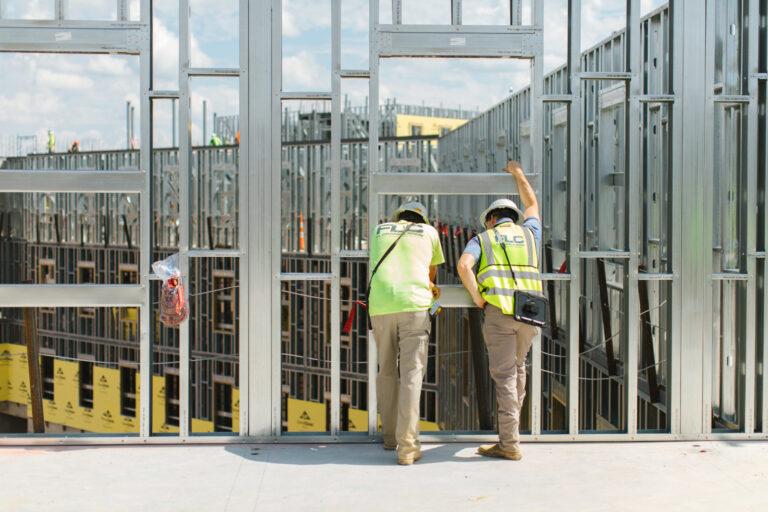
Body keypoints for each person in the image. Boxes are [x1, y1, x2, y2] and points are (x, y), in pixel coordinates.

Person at [457, 160, 542, 461]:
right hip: (530, 314)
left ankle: (509, 443)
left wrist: (478, 298)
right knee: (518, 369)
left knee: (505, 376)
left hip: (500, 315)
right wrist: (518, 173)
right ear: (513, 218)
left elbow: (464, 266)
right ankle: (512, 433)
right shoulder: (530, 234)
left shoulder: (483, 239)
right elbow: (531, 203)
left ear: (491, 219)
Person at [369, 201, 444, 465]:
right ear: (421, 219)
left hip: (380, 305)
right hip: (414, 305)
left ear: (397, 217)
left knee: (386, 370)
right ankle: (408, 447)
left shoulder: (379, 230)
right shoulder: (430, 232)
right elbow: (430, 274)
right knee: (412, 373)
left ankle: (389, 437)